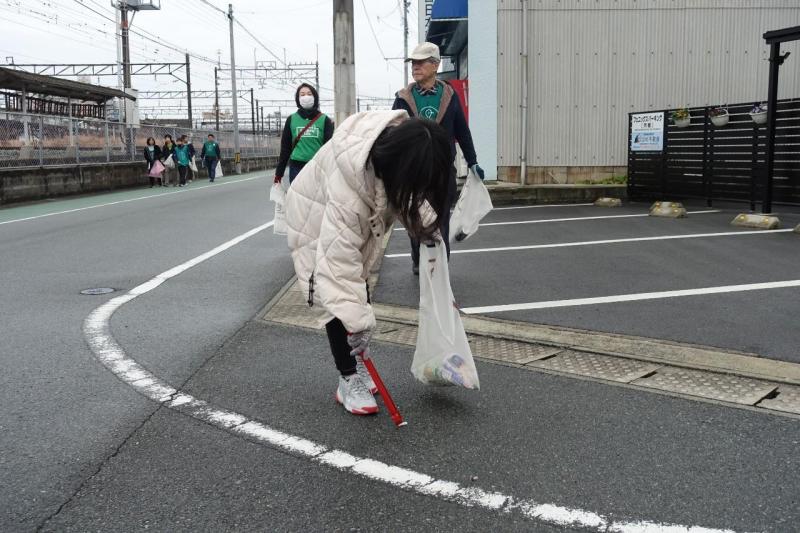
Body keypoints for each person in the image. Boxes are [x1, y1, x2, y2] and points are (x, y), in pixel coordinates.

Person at [285, 111, 451, 416]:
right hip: (313, 216)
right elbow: (337, 268)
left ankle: (357, 360)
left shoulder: (401, 146)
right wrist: (359, 324)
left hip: (343, 216)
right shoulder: (350, 188)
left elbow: (409, 194)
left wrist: (431, 231)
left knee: (357, 284)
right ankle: (347, 378)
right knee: (335, 298)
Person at [392, 41, 484, 275]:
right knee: (416, 216)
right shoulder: (403, 98)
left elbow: (462, 130)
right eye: (413, 62)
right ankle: (418, 257)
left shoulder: (449, 95)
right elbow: (390, 131)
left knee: (441, 217)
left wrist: (472, 161)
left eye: (421, 62)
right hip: (413, 171)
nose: (415, 66)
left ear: (435, 65)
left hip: (443, 169)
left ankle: (441, 262)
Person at [274, 83, 334, 185]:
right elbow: (285, 149)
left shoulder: (324, 120)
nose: (306, 97)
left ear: (315, 97)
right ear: (298, 99)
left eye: (309, 94)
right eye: (302, 94)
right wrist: (279, 173)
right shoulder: (291, 119)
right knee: (297, 199)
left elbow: (329, 149)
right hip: (296, 168)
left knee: (317, 200)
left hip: (317, 167)